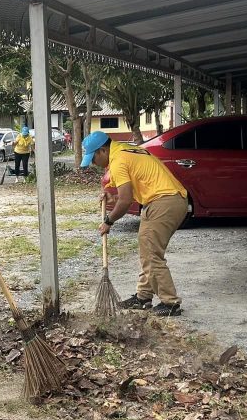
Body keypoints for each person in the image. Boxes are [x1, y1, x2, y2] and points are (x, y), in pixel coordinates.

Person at [81, 130, 188, 317]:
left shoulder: (119, 160)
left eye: (93, 158)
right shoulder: (125, 150)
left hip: (163, 202)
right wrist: (113, 198)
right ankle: (143, 297)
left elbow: (125, 201)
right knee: (148, 251)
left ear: (102, 150)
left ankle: (170, 303)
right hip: (167, 200)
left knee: (151, 254)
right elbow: (127, 195)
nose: (93, 163)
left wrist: (108, 221)